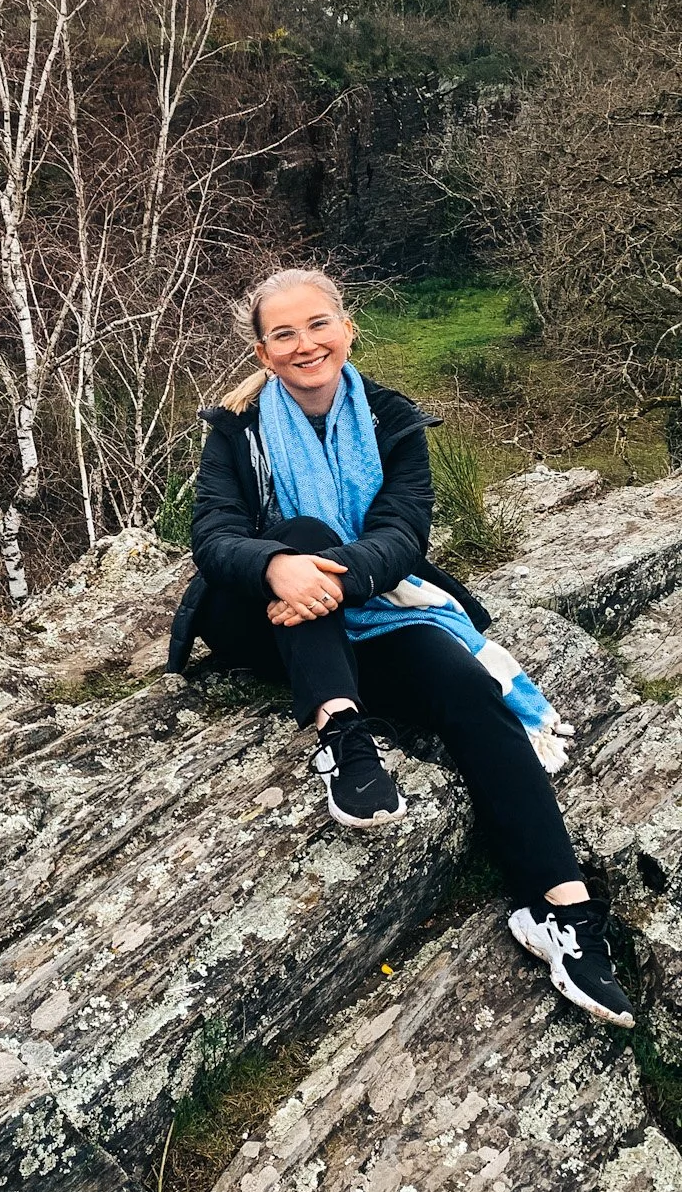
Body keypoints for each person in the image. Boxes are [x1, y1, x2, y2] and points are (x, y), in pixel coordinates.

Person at [166, 266, 634, 1029]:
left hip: (367, 609)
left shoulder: (392, 419)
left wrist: (327, 584)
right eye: (282, 333)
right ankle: (342, 738)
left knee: (466, 686)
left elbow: (404, 534)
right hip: (254, 614)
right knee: (308, 537)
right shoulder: (237, 430)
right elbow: (214, 540)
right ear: (262, 351)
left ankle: (561, 910)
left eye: (318, 324)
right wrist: (279, 565)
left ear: (347, 329)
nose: (304, 343)